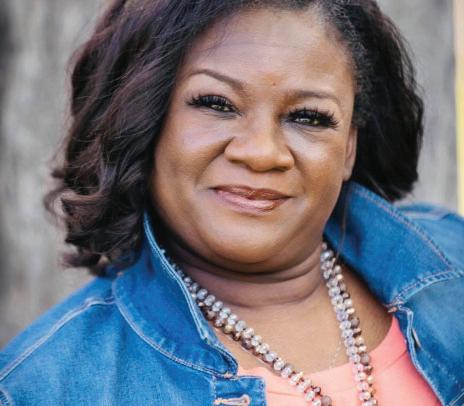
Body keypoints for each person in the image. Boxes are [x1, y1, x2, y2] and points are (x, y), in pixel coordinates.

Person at [0, 0, 463, 405]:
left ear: (349, 148)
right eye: (217, 104)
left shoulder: (452, 262)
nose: (261, 153)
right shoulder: (45, 387)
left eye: (308, 116)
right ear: (143, 121)